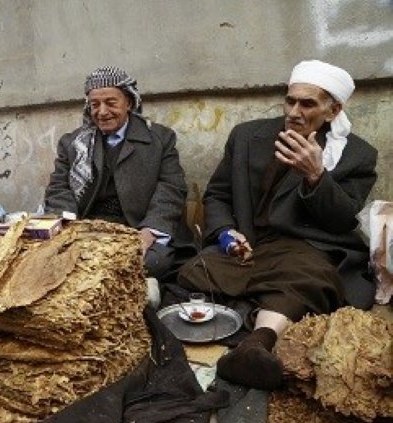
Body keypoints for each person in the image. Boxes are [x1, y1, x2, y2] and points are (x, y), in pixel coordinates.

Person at [178, 60, 378, 390]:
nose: (295, 111)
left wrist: (316, 176)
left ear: (333, 110)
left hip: (307, 246)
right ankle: (255, 322)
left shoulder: (356, 155)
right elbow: (218, 194)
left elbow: (342, 219)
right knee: (195, 271)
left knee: (301, 279)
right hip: (250, 243)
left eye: (308, 103)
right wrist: (227, 234)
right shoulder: (246, 136)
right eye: (290, 100)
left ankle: (257, 344)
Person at [44, 65, 189, 281]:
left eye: (111, 103)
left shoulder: (160, 139)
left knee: (148, 263)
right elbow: (59, 189)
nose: (102, 112)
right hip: (88, 228)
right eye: (95, 105)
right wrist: (69, 227)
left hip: (138, 228)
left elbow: (171, 189)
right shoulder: (73, 143)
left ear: (129, 103)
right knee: (52, 261)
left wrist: (149, 232)